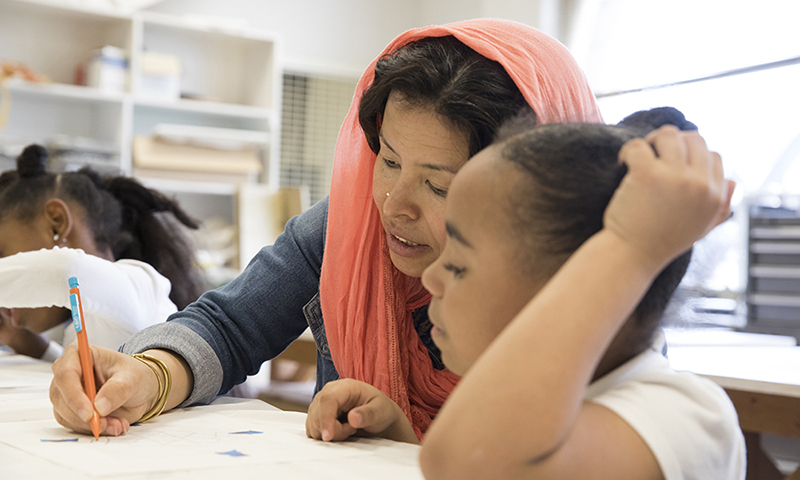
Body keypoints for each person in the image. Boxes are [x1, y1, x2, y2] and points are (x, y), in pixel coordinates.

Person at [49, 18, 603, 438]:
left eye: (439, 186)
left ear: (532, 192)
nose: (392, 205)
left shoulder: (598, 304)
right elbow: (230, 325)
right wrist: (148, 376)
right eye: (387, 160)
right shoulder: (346, 229)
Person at [305, 115, 745, 479]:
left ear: (575, 289)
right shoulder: (534, 407)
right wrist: (399, 441)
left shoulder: (682, 416)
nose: (433, 278)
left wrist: (632, 246)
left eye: (458, 265)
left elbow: (471, 462)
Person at [0, 144, 205, 361]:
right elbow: (93, 374)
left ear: (57, 224)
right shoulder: (89, 320)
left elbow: (64, 270)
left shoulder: (134, 285)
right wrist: (29, 345)